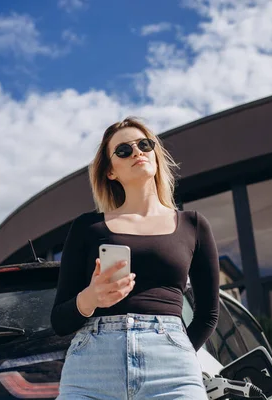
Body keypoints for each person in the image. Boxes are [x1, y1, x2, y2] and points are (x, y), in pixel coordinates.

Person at [51, 116, 220, 399]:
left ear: (155, 153)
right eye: (123, 150)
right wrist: (92, 298)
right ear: (110, 172)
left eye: (144, 144)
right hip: (93, 367)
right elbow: (60, 321)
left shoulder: (193, 225)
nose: (137, 152)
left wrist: (177, 351)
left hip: (172, 369)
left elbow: (207, 315)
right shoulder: (87, 228)